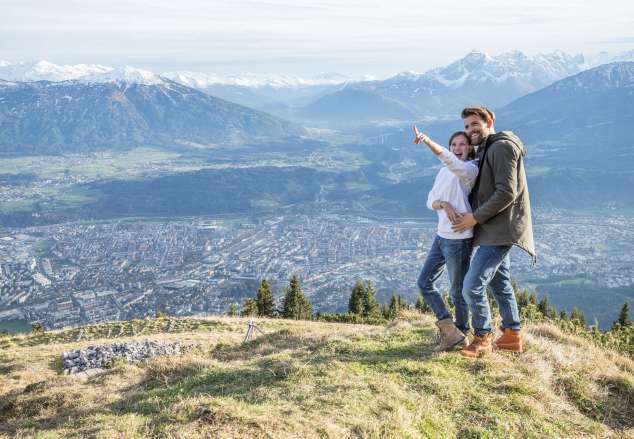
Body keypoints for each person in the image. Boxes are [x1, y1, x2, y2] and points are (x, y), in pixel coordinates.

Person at [451, 107, 535, 358]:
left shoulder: (501, 147)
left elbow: (506, 192)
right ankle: (511, 335)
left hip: (501, 229)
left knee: (472, 286)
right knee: (500, 284)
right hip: (494, 228)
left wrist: (473, 218)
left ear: (490, 122)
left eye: (475, 124)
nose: (470, 130)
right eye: (466, 126)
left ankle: (483, 337)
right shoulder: (489, 146)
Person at [412, 125, 478, 351]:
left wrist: (428, 141)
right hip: (441, 237)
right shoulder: (443, 171)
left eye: (462, 144)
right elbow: (430, 201)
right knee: (424, 282)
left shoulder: (469, 170)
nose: (457, 148)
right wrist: (444, 203)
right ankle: (450, 330)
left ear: (470, 149)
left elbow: (450, 160)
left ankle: (462, 333)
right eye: (454, 145)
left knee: (457, 291)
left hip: (459, 239)